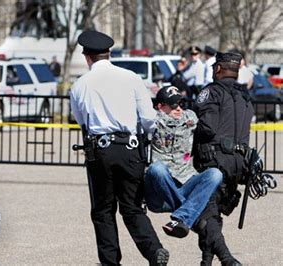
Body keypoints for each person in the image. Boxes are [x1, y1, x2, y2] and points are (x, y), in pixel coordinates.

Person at [69, 30, 169, 266]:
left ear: (87, 57)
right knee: (132, 207)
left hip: (100, 150)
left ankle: (110, 262)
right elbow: (148, 119)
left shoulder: (80, 85)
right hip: (130, 149)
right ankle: (154, 251)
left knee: (103, 211)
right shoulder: (131, 77)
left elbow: (81, 121)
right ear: (109, 54)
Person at [193, 52, 254, 266]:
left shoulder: (212, 92)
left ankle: (227, 259)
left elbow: (207, 127)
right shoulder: (245, 97)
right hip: (238, 163)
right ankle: (206, 261)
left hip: (214, 161)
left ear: (218, 69)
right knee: (213, 213)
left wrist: (191, 126)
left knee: (205, 214)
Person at [144, 86, 223, 239]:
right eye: (173, 105)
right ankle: (191, 217)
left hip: (185, 182)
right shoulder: (153, 122)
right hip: (159, 192)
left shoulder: (189, 118)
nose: (178, 109)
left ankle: (182, 218)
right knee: (157, 169)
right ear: (160, 107)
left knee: (215, 174)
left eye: (180, 104)